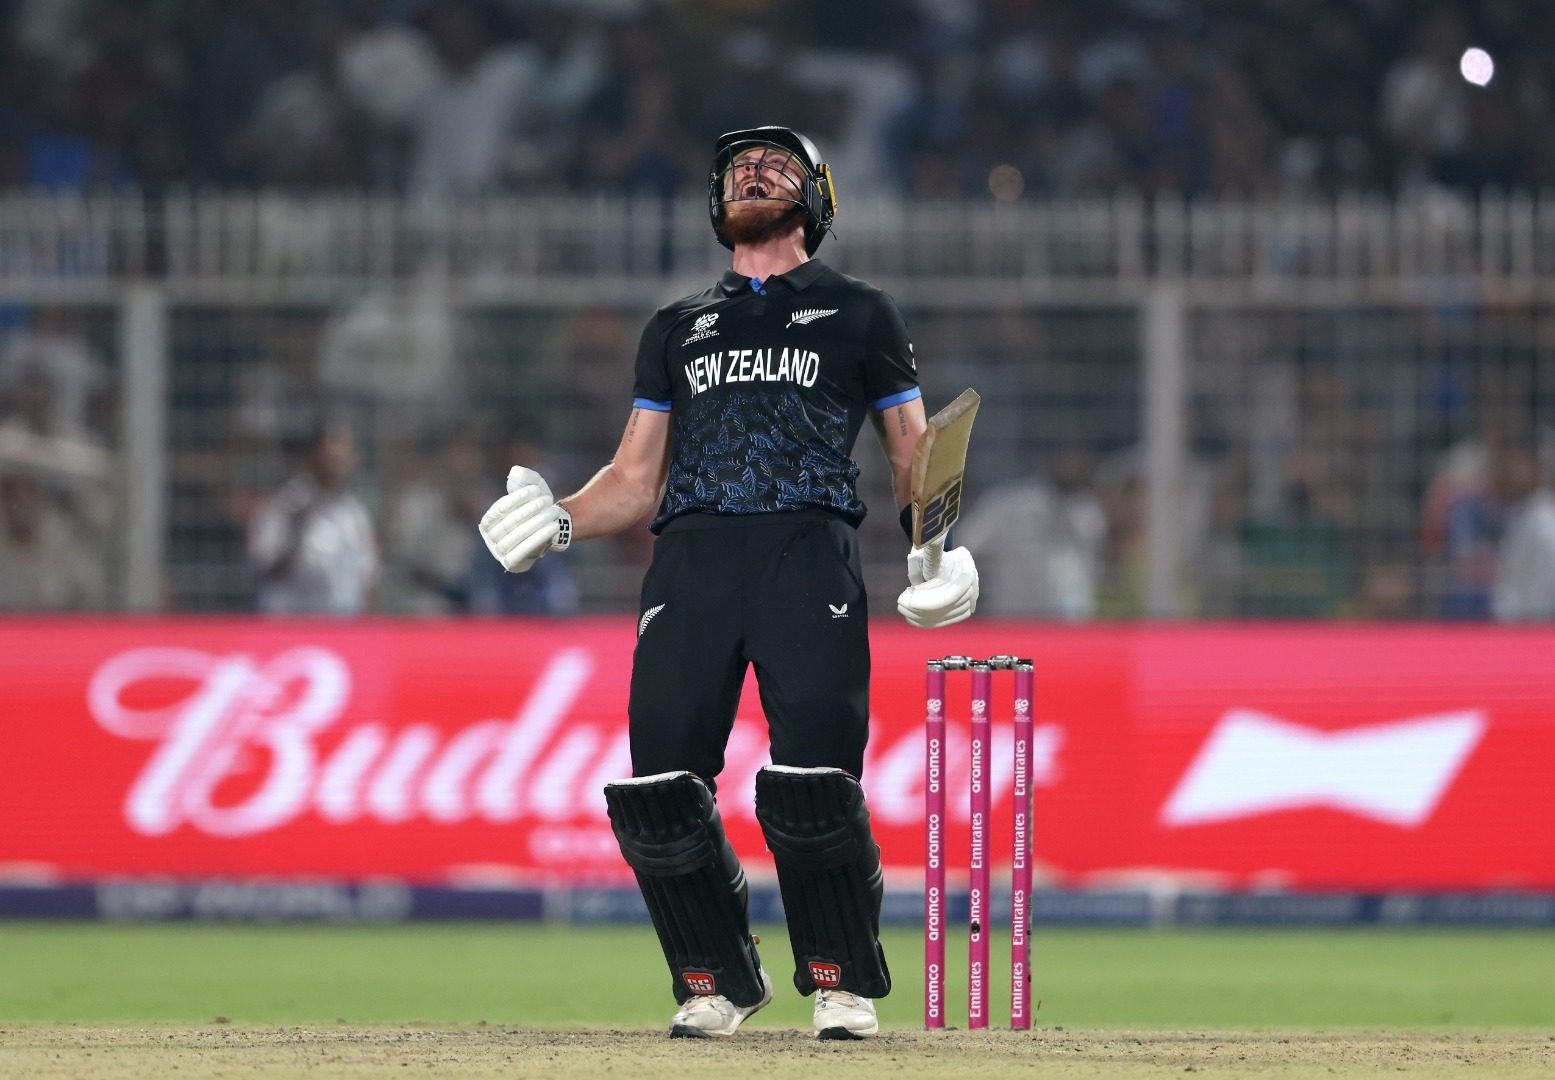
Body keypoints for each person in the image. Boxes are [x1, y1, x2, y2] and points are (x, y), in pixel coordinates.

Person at [477, 126, 979, 1039]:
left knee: (813, 782)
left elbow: (914, 458)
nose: (751, 175)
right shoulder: (675, 327)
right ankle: (716, 981)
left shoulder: (862, 312)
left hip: (807, 551)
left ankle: (840, 982)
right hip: (691, 558)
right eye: (738, 169)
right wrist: (561, 519)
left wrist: (937, 547)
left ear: (817, 198)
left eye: (775, 167)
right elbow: (634, 480)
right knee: (659, 789)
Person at [248, 416, 379, 615]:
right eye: (330, 456)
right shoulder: (286, 506)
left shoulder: (355, 513)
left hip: (343, 625)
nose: (338, 459)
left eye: (344, 454)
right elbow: (266, 567)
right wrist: (296, 531)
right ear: (313, 456)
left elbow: (368, 577)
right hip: (291, 624)